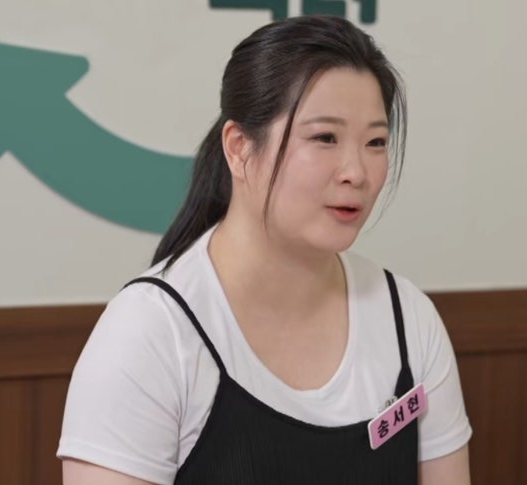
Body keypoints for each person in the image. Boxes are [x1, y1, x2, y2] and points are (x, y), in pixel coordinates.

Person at [58, 14, 472, 485]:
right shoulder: (149, 333)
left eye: (375, 142)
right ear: (239, 148)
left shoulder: (408, 319)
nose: (356, 172)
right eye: (325, 138)